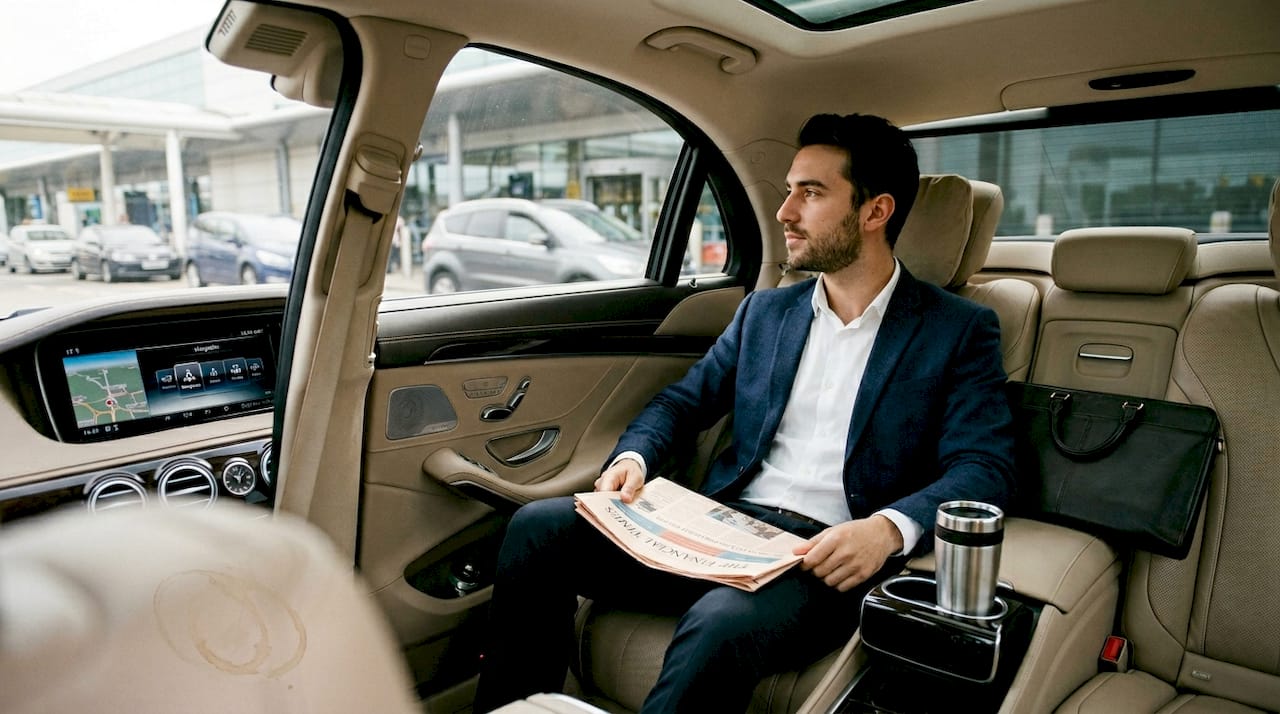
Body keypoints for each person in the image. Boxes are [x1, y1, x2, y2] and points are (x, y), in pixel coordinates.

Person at [473, 113, 1016, 714]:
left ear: (875, 212)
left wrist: (885, 529)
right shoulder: (766, 314)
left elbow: (983, 465)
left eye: (810, 193)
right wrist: (635, 456)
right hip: (723, 528)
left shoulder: (958, 329)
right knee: (539, 528)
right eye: (789, 190)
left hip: (823, 558)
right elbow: (682, 402)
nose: (785, 211)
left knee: (720, 621)